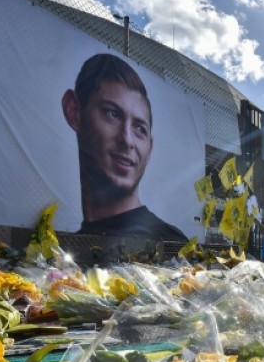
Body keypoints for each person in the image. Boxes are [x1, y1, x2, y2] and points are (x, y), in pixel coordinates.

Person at [62, 53, 187, 241]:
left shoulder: (169, 243)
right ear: (74, 112)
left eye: (139, 129)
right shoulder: (61, 248)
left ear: (149, 148)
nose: (127, 140)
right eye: (112, 114)